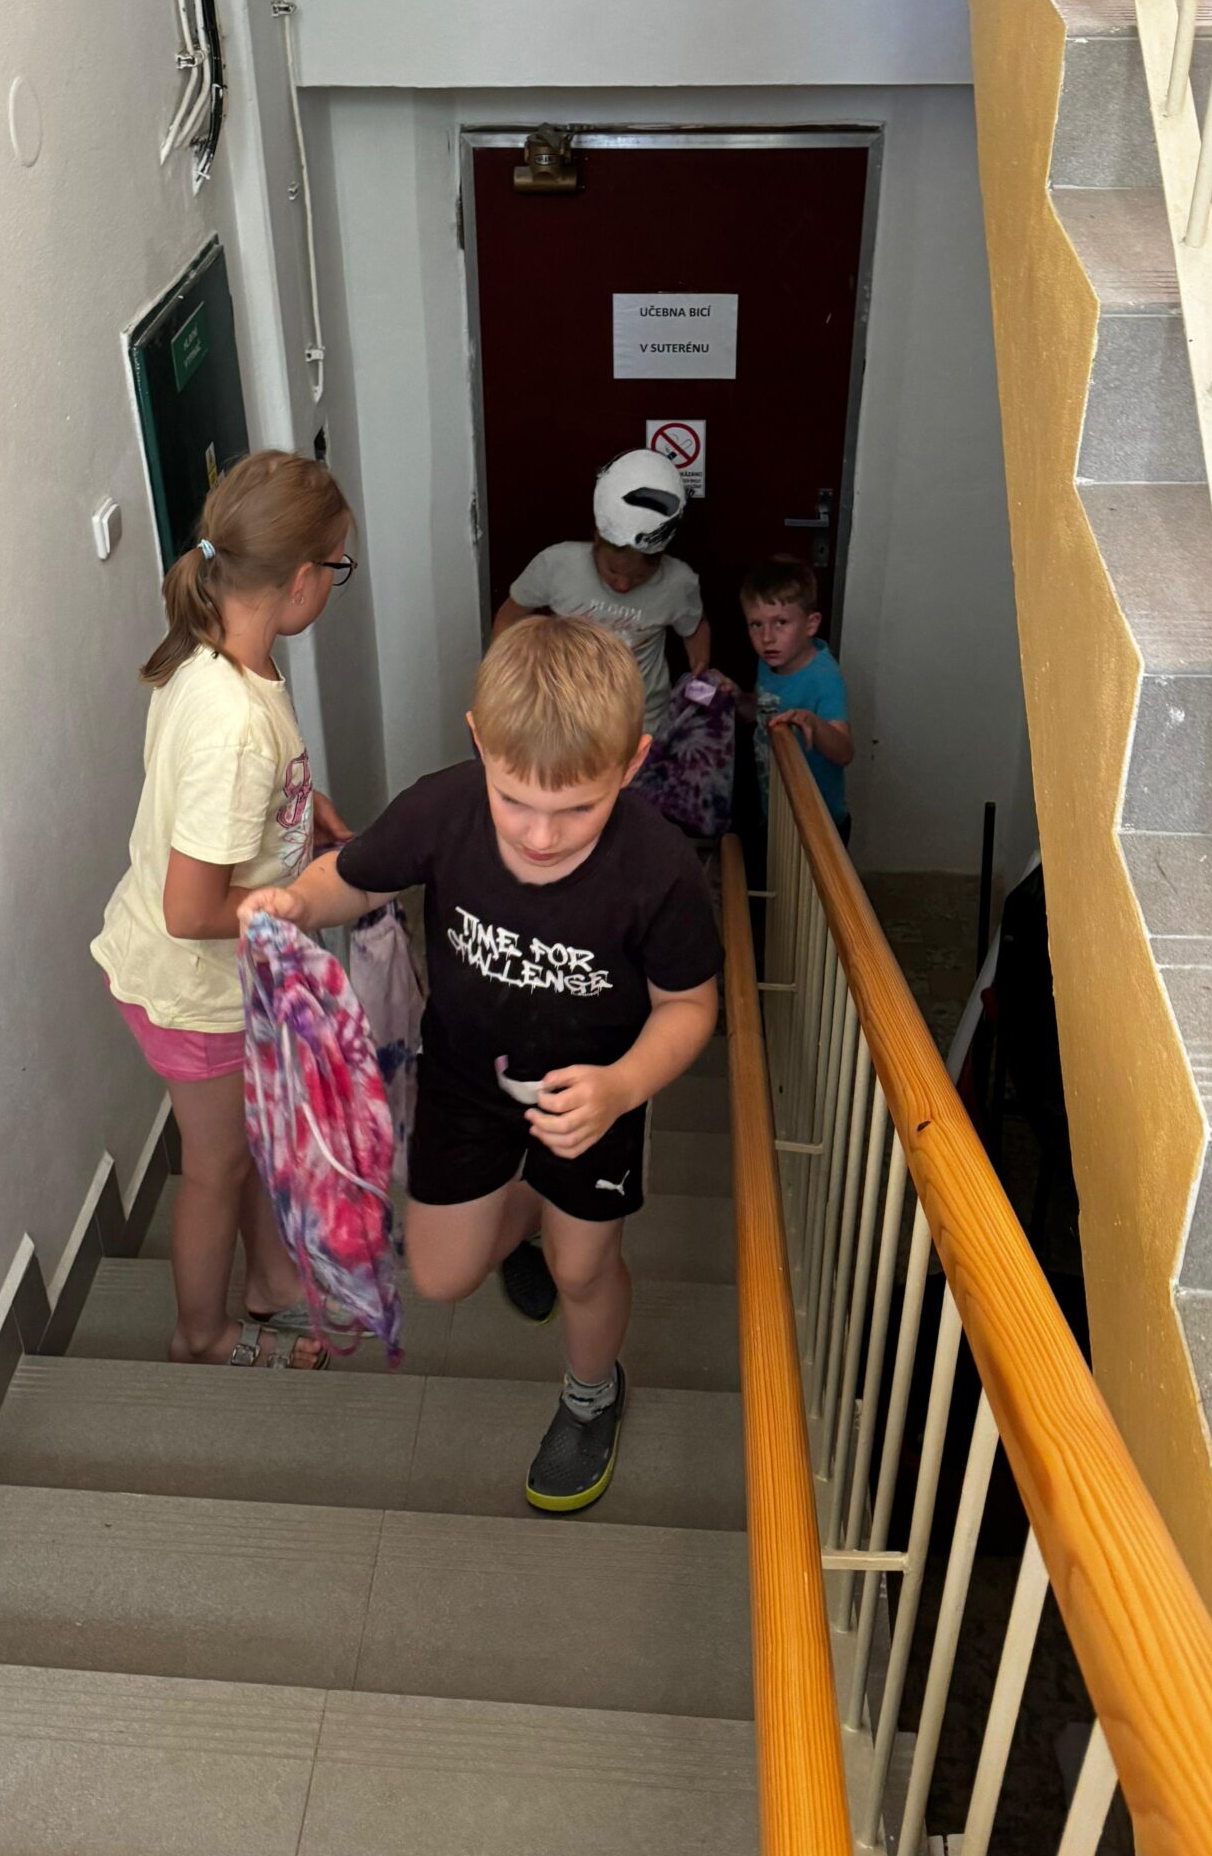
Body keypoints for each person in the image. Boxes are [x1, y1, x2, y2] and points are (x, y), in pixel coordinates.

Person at [242, 617, 720, 1512]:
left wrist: (622, 1086)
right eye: (516, 801)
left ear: (632, 763)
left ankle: (592, 1394)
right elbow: (358, 874)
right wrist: (298, 900)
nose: (542, 835)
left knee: (582, 1271)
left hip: (594, 1100)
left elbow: (690, 1008)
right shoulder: (445, 807)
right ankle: (531, 1212)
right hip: (465, 1081)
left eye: (577, 809)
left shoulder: (660, 871)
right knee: (441, 1276)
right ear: (479, 745)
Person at [92, 450, 358, 1370]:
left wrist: (300, 808)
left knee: (249, 1137)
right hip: (196, 990)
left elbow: (225, 804)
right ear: (300, 581)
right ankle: (200, 1333)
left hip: (208, 977)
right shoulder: (236, 727)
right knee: (216, 1167)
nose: (335, 583)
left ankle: (272, 1282)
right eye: (337, 567)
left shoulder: (211, 650)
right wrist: (301, 900)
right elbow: (190, 907)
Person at [493, 447, 710, 736]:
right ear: (596, 540)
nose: (622, 585)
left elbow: (694, 627)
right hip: (567, 717)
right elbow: (510, 615)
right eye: (612, 572)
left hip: (642, 722)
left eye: (638, 577)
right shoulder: (556, 565)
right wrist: (505, 674)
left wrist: (700, 669)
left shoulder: (678, 583)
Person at [737, 554, 854, 842]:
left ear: (811, 624)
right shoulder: (769, 661)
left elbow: (844, 752)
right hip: (775, 807)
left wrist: (812, 721)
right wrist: (738, 700)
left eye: (781, 622)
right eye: (756, 624)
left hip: (820, 826)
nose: (767, 637)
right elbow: (762, 710)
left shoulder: (824, 677)